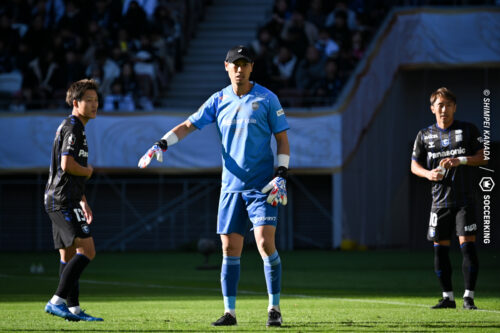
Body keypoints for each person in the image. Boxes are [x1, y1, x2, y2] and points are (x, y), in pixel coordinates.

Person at [138, 45, 290, 327]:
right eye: (235, 64)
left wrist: (281, 174)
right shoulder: (218, 99)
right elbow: (189, 124)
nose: (240, 69)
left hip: (262, 187)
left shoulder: (267, 99)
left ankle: (274, 308)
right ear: (226, 67)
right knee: (230, 249)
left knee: (264, 244)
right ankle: (230, 313)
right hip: (230, 187)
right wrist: (161, 143)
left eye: (245, 64)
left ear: (252, 67)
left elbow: (282, 139)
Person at [411, 87, 486, 310]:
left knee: (467, 248)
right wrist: (428, 174)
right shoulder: (424, 135)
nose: (444, 109)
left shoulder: (468, 129)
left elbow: (484, 156)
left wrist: (460, 160)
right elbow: (414, 165)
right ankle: (448, 298)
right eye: (440, 105)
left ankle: (468, 298)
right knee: (439, 250)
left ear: (455, 107)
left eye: (448, 105)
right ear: (432, 108)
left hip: (464, 199)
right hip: (439, 202)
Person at [44, 79, 103, 322]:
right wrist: (88, 170)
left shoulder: (74, 127)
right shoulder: (74, 127)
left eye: (96, 100)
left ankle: (73, 309)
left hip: (64, 198)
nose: (94, 105)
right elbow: (68, 165)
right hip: (62, 200)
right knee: (87, 250)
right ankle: (56, 302)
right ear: (75, 102)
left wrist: (83, 200)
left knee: (67, 255)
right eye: (88, 100)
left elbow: (67, 169)